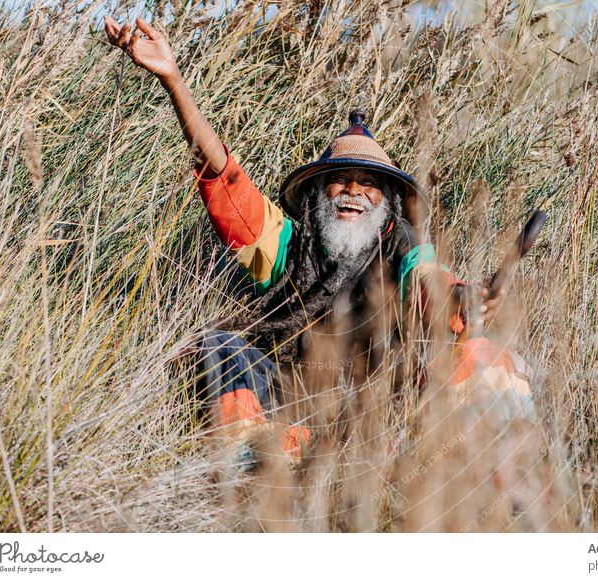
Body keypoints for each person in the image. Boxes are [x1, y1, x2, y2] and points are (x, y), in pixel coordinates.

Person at [103, 16, 534, 465]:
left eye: (369, 183)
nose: (353, 191)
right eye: (340, 180)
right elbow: (221, 174)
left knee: (479, 355)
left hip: (376, 418)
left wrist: (462, 298)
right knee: (219, 348)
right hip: (291, 412)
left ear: (385, 201)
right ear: (316, 193)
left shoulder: (401, 247)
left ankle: (485, 475)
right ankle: (262, 467)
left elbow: (427, 281)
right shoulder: (286, 242)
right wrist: (174, 80)